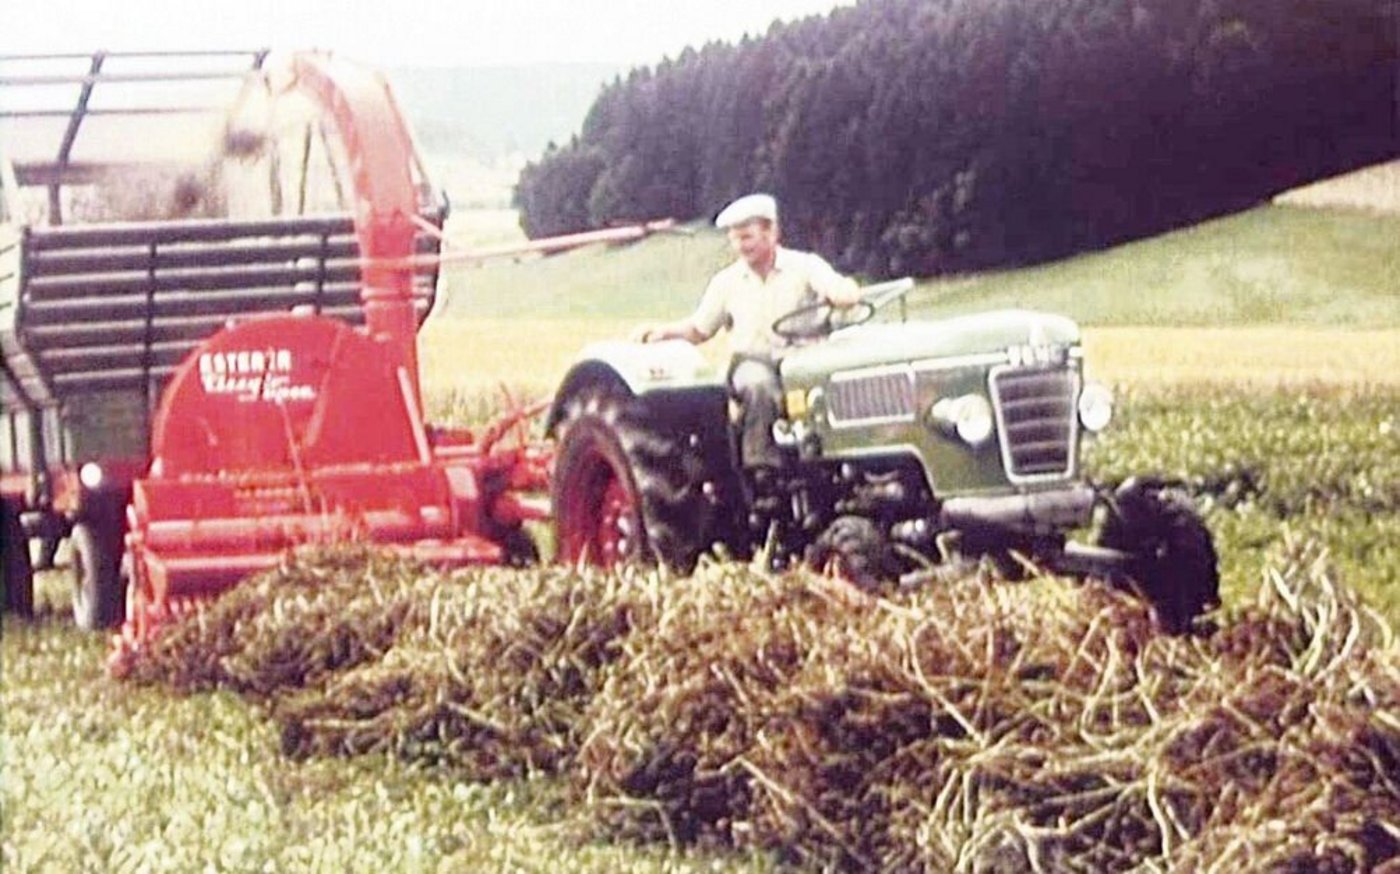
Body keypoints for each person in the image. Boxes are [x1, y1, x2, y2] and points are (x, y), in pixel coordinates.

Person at [635, 193, 862, 469]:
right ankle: (761, 466)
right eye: (735, 238)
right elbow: (699, 329)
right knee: (759, 387)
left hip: (806, 359)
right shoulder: (726, 282)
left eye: (747, 237)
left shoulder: (805, 266)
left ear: (771, 232)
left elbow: (840, 289)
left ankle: (850, 459)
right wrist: (663, 332)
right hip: (755, 361)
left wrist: (845, 293)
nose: (741, 246)